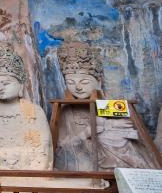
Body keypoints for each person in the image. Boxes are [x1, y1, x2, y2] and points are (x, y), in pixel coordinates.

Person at [54, 40, 158, 170]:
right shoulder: (66, 111)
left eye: (84, 82)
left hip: (114, 157)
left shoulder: (108, 105)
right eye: (70, 82)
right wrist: (85, 133)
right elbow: (61, 148)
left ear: (98, 82)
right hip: (83, 160)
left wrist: (109, 127)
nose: (78, 87)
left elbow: (130, 134)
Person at [0, 42, 52, 171]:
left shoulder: (34, 112)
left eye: (6, 83)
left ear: (20, 85)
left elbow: (42, 147)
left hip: (28, 171)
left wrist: (10, 155)